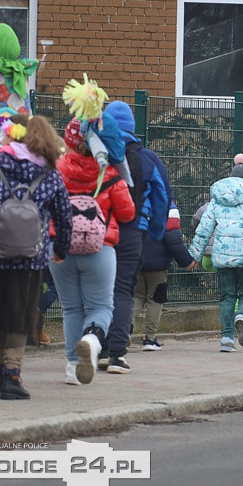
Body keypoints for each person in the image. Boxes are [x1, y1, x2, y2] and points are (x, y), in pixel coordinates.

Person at [0, 115, 72, 399]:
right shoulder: (49, 173)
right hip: (31, 259)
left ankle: (4, 369)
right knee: (19, 316)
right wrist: (60, 249)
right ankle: (11, 375)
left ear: (12, 135)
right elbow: (64, 216)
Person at [53, 118, 136, 385]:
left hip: (60, 249)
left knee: (70, 308)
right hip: (100, 248)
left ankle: (71, 368)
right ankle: (92, 338)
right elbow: (127, 213)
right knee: (101, 305)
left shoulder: (56, 171)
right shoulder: (110, 174)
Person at [102, 100, 170, 375]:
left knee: (96, 290)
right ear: (131, 127)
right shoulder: (146, 157)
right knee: (123, 290)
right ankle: (116, 354)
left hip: (99, 228)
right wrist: (155, 231)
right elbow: (162, 196)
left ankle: (97, 346)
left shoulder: (93, 152)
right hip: (132, 231)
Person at [191, 155, 243, 352]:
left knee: (227, 296)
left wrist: (195, 254)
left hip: (223, 256)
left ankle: (226, 339)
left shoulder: (218, 200)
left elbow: (204, 228)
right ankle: (242, 315)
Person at [137, 203, 196, 351]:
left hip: (135, 261)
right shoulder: (168, 207)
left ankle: (123, 334)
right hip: (158, 264)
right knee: (155, 299)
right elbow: (174, 240)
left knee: (135, 297)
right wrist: (186, 261)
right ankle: (150, 339)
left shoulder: (134, 200)